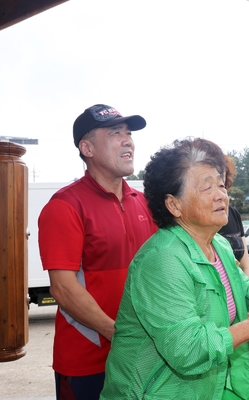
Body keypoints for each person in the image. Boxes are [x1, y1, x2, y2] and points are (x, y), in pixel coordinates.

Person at [100, 138, 249, 399]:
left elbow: (240, 295)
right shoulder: (162, 260)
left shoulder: (217, 245)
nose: (221, 195)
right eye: (206, 188)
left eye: (221, 184)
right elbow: (188, 350)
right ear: (174, 205)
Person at [38, 104, 158, 400]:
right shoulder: (65, 206)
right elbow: (63, 288)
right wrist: (118, 334)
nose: (128, 140)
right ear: (87, 148)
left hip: (144, 356)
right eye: (115, 133)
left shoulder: (145, 203)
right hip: (88, 361)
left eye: (128, 133)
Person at [218, 205, 249, 278]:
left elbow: (245, 267)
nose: (220, 195)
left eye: (224, 192)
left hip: (238, 286)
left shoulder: (233, 214)